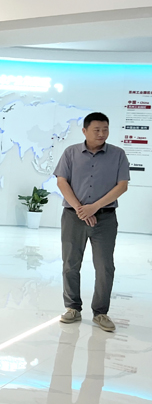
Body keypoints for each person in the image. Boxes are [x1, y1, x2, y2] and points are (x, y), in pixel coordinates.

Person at [54, 112, 130, 332]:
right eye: (96, 130)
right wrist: (81, 210)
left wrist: (93, 207)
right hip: (73, 217)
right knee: (70, 263)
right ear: (84, 131)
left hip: (105, 218)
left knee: (105, 266)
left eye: (105, 129)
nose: (102, 133)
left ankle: (101, 312)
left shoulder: (118, 154)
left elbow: (122, 186)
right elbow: (62, 182)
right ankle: (72, 308)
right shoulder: (70, 153)